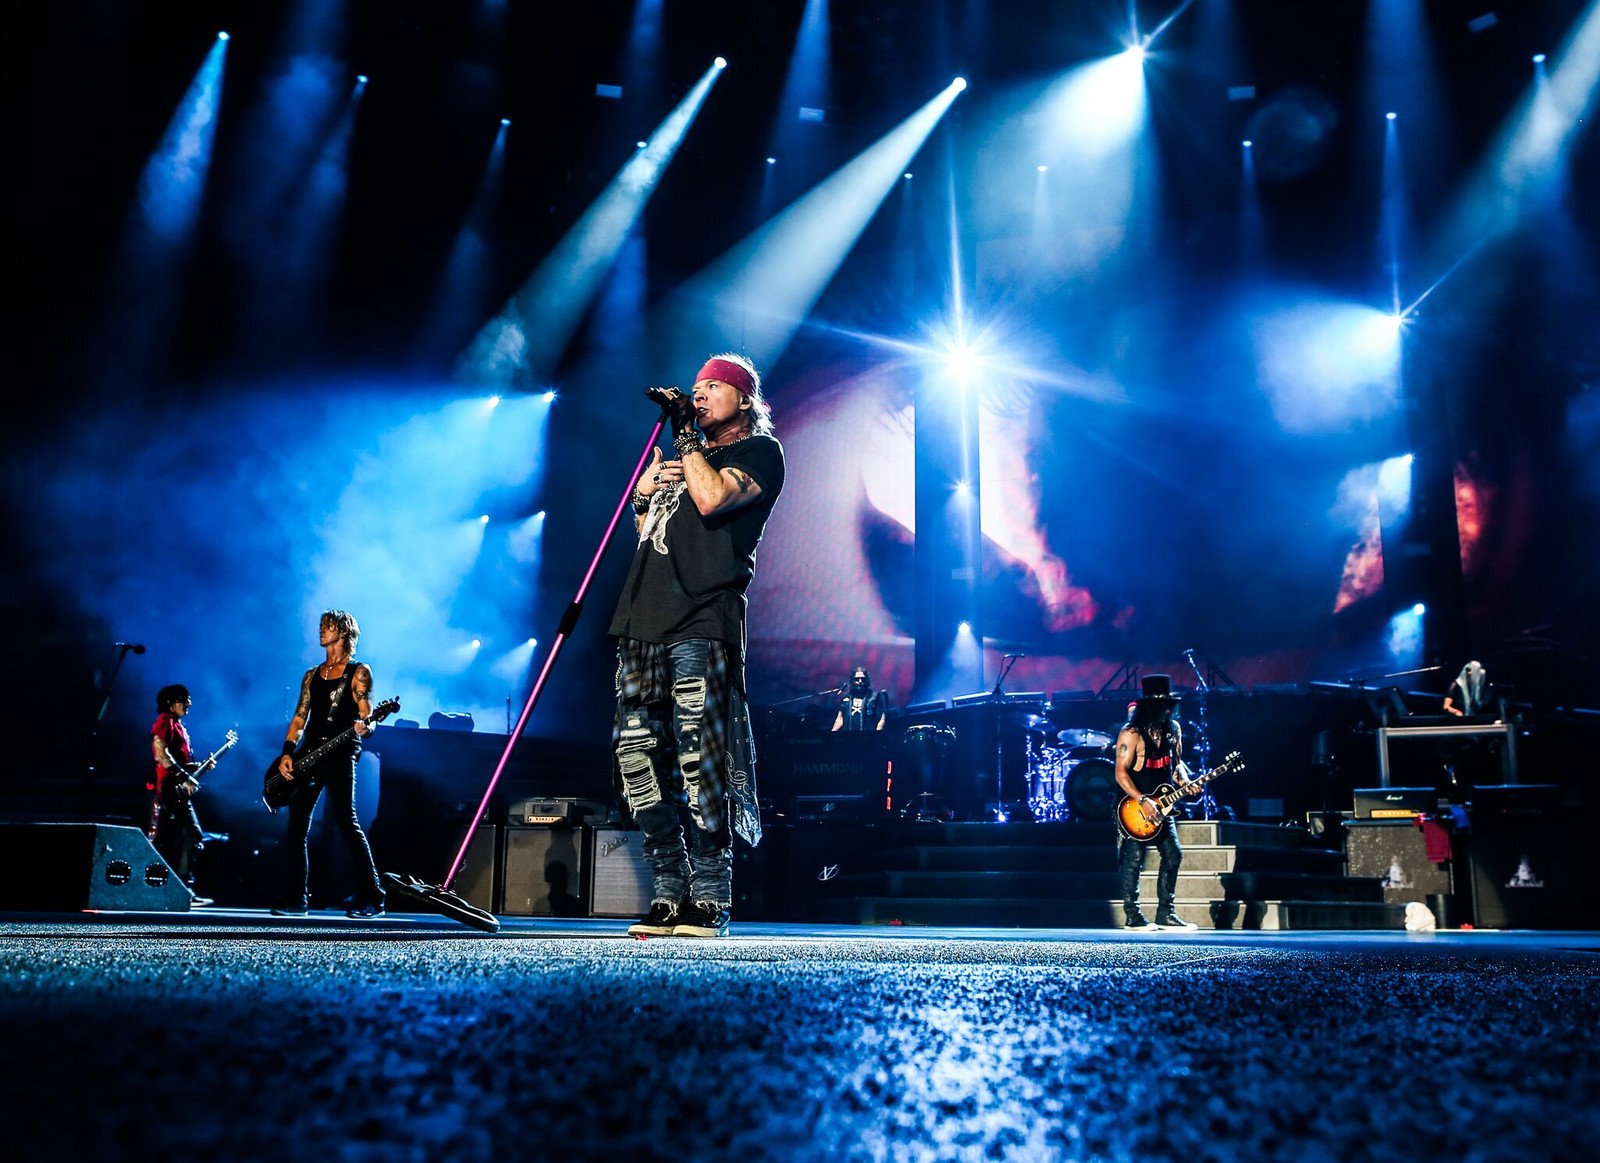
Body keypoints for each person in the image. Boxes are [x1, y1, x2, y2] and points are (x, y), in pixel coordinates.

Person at [610, 353, 784, 939]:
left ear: (744, 398)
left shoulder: (757, 454)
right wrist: (643, 495)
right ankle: (667, 891)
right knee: (637, 758)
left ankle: (710, 894)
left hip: (703, 619)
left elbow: (712, 502)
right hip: (642, 619)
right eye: (696, 388)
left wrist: (685, 442)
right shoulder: (687, 459)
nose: (700, 394)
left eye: (713, 388)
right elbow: (655, 538)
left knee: (697, 756)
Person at [271, 610, 385, 919]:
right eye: (321, 626)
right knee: (296, 827)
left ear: (344, 633)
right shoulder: (312, 675)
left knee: (346, 823)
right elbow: (299, 717)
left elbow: (367, 714)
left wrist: (367, 727)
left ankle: (373, 897)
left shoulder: (359, 672)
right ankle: (296, 899)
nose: (321, 631)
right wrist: (287, 752)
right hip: (307, 755)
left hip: (340, 753)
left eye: (328, 627)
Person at [1112, 674, 1199, 931]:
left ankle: (1166, 914)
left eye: (1169, 705)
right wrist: (1142, 799)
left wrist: (1186, 782)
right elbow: (1120, 773)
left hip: (1163, 805)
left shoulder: (1174, 731)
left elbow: (1176, 766)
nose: (1166, 710)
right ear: (1148, 706)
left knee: (1173, 854)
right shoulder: (1131, 734)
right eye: (1161, 706)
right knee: (1134, 858)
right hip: (1133, 804)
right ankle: (1133, 915)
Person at [148, 684, 213, 907]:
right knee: (175, 838)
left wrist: (199, 766)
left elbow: (180, 760)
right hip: (168, 790)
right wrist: (184, 777)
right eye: (184, 699)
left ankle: (180, 889)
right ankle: (169, 889)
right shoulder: (164, 722)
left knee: (186, 837)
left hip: (177, 791)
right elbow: (162, 753)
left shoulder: (179, 726)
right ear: (170, 702)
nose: (189, 703)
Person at [832, 665, 888, 732]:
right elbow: (840, 718)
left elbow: (881, 719)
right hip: (848, 738)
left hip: (868, 738)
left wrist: (876, 736)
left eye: (863, 679)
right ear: (852, 681)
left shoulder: (875, 697)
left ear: (867, 681)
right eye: (857, 679)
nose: (860, 681)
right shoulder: (846, 698)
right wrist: (833, 734)